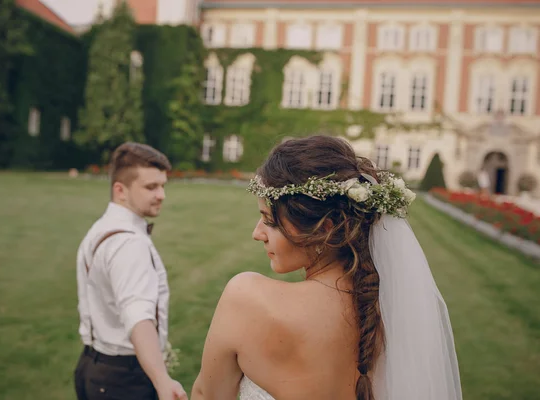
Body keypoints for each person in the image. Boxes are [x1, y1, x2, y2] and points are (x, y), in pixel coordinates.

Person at [191, 135, 462, 400]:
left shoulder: (247, 299)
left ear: (324, 231)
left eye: (269, 220)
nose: (257, 233)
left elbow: (206, 394)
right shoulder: (390, 312)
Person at [74, 142, 187, 400]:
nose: (161, 195)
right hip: (123, 380)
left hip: (92, 366)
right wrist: (162, 380)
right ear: (120, 190)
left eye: (162, 186)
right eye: (151, 187)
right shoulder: (129, 243)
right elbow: (138, 315)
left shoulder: (101, 228)